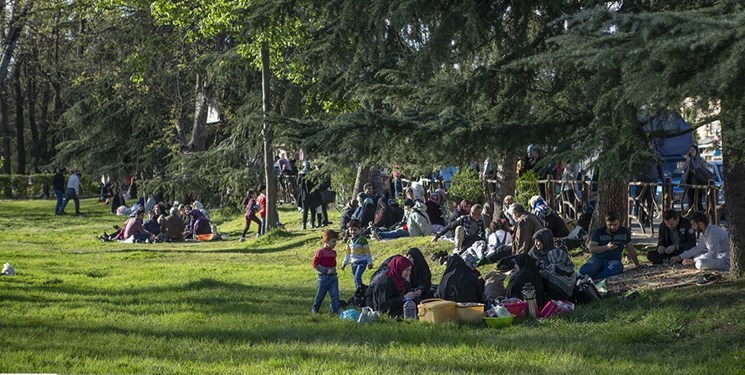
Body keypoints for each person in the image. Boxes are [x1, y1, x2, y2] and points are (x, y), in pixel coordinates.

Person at [579, 211, 640, 279]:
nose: (613, 227)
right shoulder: (599, 232)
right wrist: (606, 247)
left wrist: (637, 264)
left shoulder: (624, 232)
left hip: (613, 261)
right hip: (597, 259)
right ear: (605, 223)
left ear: (619, 222)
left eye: (615, 224)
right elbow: (591, 249)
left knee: (617, 267)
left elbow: (630, 248)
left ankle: (596, 277)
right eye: (610, 225)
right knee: (586, 270)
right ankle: (583, 276)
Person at [529, 228, 576, 302]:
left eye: (538, 241)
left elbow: (568, 270)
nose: (536, 244)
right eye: (535, 241)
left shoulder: (557, 253)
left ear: (546, 240)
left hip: (556, 286)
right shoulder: (533, 252)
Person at [311, 229, 340, 314]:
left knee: (335, 296)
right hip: (324, 278)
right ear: (326, 241)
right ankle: (315, 310)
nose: (335, 243)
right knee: (320, 296)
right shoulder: (320, 252)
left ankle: (335, 312)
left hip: (333, 277)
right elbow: (315, 264)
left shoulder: (333, 252)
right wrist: (326, 270)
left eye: (335, 241)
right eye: (333, 241)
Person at [341, 220, 373, 290]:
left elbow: (368, 252)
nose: (353, 232)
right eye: (351, 230)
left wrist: (370, 263)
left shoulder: (362, 240)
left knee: (357, 277)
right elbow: (347, 253)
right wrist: (344, 263)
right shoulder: (349, 241)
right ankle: (363, 290)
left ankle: (359, 291)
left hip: (362, 261)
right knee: (355, 279)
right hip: (353, 262)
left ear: (360, 230)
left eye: (355, 230)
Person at [680, 145, 708, 212]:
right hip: (689, 183)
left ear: (696, 151)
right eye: (690, 150)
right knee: (690, 200)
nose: (691, 152)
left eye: (693, 150)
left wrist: (696, 171)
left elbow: (705, 170)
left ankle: (700, 214)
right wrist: (687, 160)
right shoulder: (688, 160)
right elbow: (684, 169)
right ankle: (692, 215)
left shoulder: (701, 160)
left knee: (698, 200)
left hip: (699, 182)